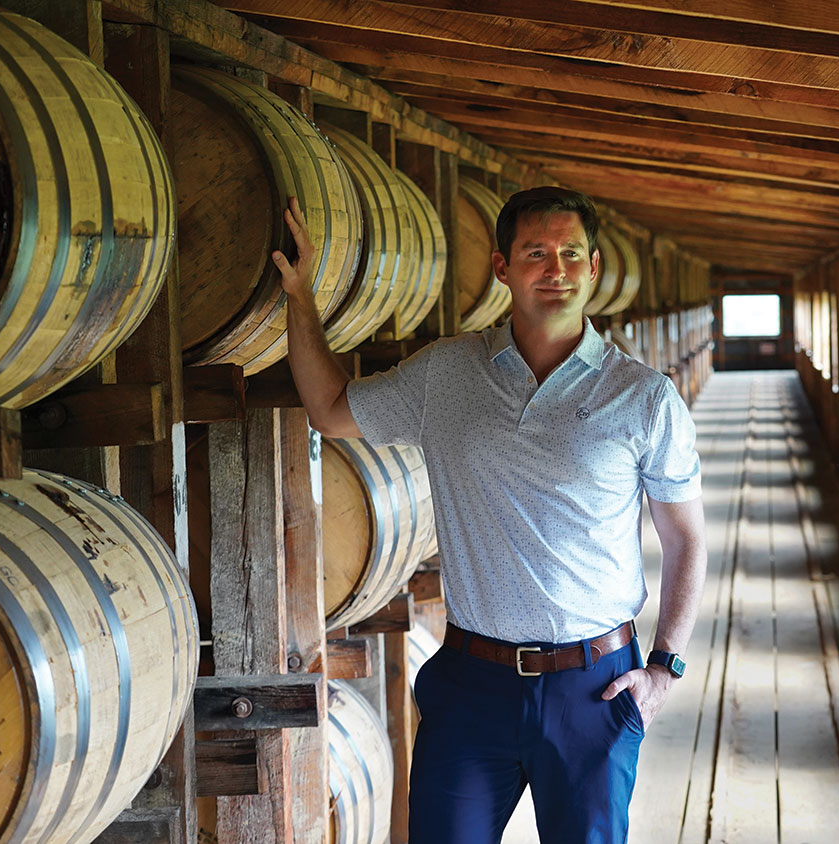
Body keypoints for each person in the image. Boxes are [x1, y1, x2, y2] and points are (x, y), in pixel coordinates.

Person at [273, 186, 708, 844]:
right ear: (502, 267)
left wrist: (664, 668)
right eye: (537, 253)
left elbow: (685, 540)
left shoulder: (643, 396)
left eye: (570, 253)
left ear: (593, 267)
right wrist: (299, 296)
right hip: (472, 683)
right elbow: (331, 409)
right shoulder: (446, 372)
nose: (555, 269)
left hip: (593, 688)